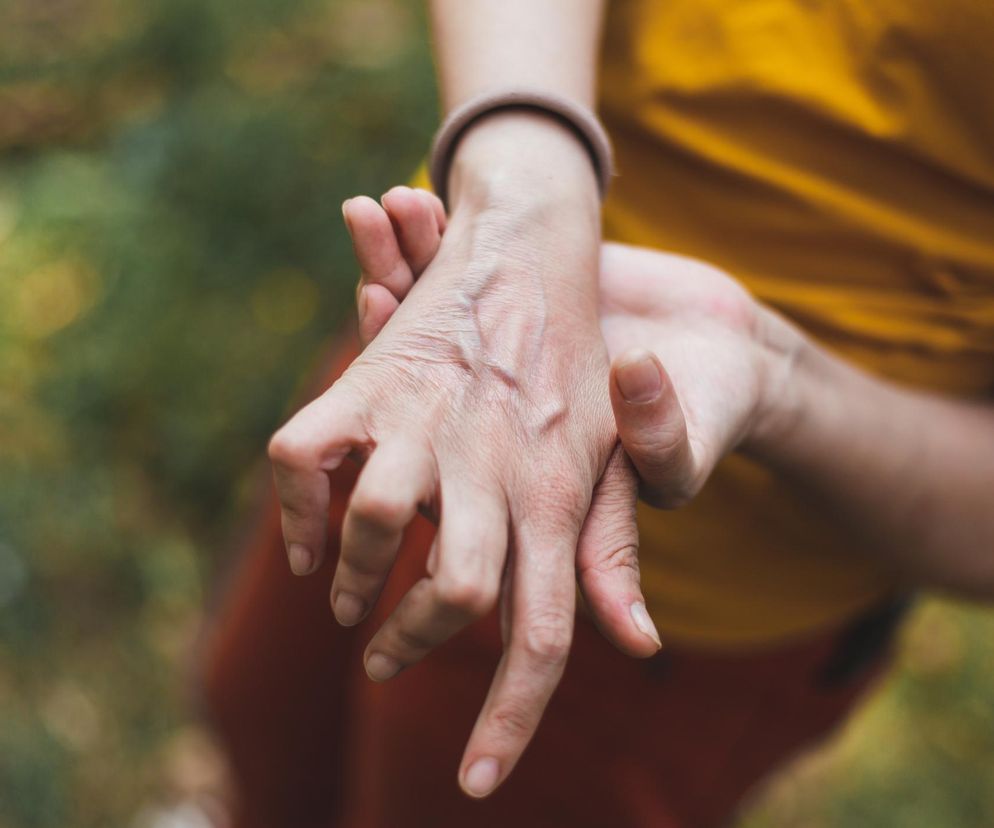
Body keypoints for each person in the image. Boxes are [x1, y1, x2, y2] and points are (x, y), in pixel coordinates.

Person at [202, 2, 994, 826]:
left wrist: (775, 374)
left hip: (686, 606)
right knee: (258, 713)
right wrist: (528, 188)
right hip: (450, 331)